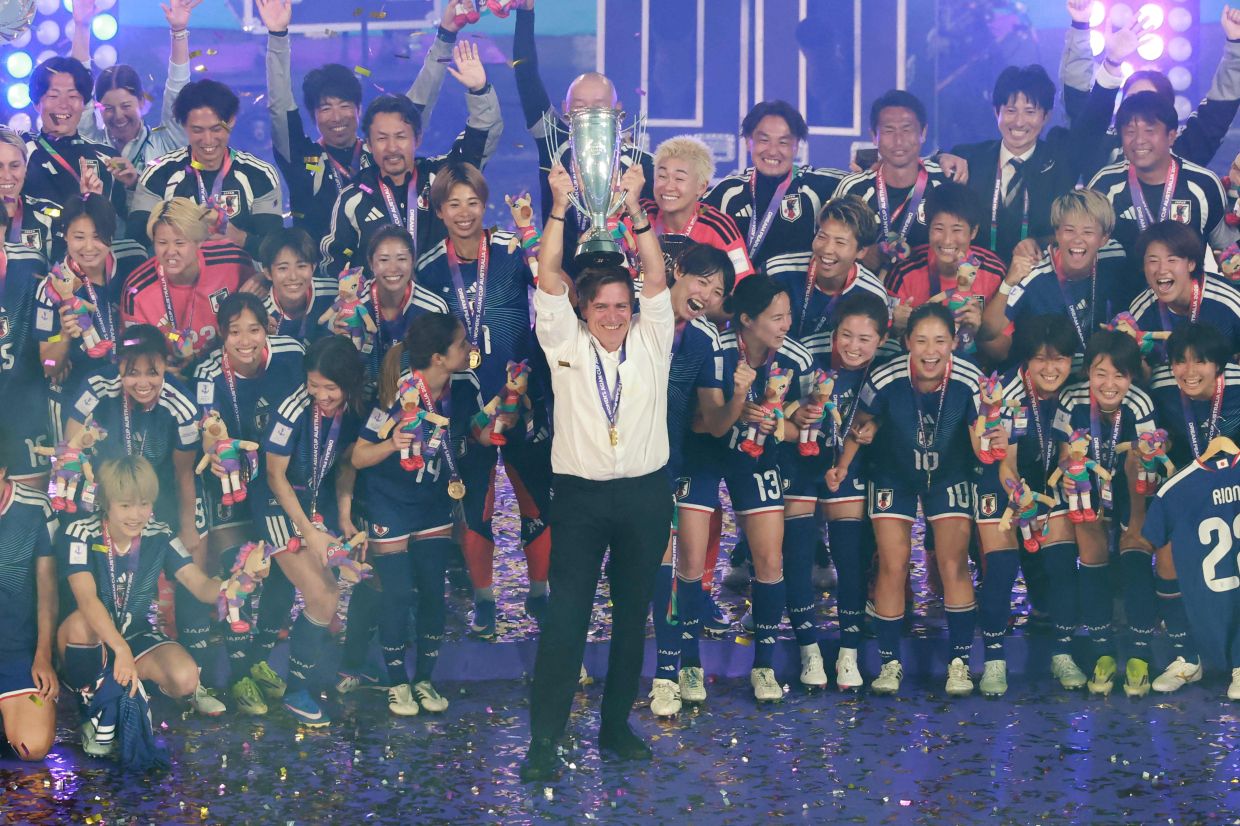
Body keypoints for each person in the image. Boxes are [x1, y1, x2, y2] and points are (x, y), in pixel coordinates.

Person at [520, 160, 672, 782]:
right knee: (567, 619)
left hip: (645, 496)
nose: (612, 315)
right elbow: (548, 275)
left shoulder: (654, 339)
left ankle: (615, 727)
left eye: (621, 305)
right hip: (580, 499)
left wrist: (637, 212)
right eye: (601, 305)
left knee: (633, 616)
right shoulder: (563, 341)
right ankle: (544, 740)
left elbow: (657, 276)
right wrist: (559, 207)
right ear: (582, 307)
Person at [415, 161, 552, 638]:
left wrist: (534, 239)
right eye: (453, 203)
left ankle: (540, 593)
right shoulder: (429, 268)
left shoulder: (512, 250)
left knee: (535, 498)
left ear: (485, 203)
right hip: (463, 406)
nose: (464, 212)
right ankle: (485, 601)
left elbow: (553, 288)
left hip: (523, 396)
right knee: (476, 505)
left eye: (472, 202)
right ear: (439, 210)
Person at [828, 302, 984, 696]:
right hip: (893, 472)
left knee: (953, 564)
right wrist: (842, 466)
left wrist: (991, 451)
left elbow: (983, 436)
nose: (931, 351)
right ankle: (889, 662)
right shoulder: (886, 376)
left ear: (954, 342)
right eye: (922, 341)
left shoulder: (970, 378)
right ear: (907, 342)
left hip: (949, 472)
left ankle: (960, 664)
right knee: (893, 564)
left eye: (940, 341)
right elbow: (862, 423)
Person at [675, 275, 816, 700]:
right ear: (748, 320)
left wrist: (784, 425)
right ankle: (689, 665)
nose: (786, 324)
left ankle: (764, 667)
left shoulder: (797, 359)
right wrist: (739, 408)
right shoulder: (713, 350)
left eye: (788, 315)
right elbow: (697, 423)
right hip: (702, 453)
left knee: (770, 558)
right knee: (691, 559)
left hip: (755, 458)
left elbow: (799, 431)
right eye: (776, 317)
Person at [57, 455, 254, 757]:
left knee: (185, 678)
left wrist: (232, 585)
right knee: (83, 623)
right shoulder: (81, 532)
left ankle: (124, 687)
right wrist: (120, 649)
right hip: (89, 636)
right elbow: (86, 599)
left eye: (144, 504)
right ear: (106, 503)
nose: (136, 515)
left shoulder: (160, 534)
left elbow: (199, 584)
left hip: (134, 634)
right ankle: (92, 707)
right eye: (125, 505)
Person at [257, 0, 500, 242]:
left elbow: (418, 103)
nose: (337, 116)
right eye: (326, 108)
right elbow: (280, 107)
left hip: (394, 263)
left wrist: (445, 36)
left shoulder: (382, 152)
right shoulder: (301, 158)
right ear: (313, 115)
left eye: (345, 105)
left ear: (359, 109)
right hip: (326, 267)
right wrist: (277, 37)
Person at [352, 313, 494, 716]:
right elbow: (359, 456)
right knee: (398, 593)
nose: (470, 349)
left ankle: (424, 681)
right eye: (462, 344)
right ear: (438, 357)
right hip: (389, 503)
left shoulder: (464, 386)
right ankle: (397, 683)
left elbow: (478, 432)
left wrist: (503, 417)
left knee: (433, 592)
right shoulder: (397, 396)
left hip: (433, 503)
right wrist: (391, 444)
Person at [191, 294, 306, 714]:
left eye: (253, 329)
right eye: (234, 331)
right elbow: (207, 430)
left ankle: (258, 659)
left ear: (267, 328)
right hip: (229, 485)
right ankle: (239, 675)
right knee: (238, 576)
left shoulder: (292, 354)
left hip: (275, 479)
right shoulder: (208, 374)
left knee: (283, 569)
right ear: (222, 334)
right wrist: (213, 451)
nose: (245, 340)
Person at [258, 335, 366, 725]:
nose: (320, 395)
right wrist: (309, 532)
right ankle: (295, 690)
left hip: (317, 507)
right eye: (313, 385)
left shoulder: (355, 407)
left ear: (349, 383)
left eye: (330, 387)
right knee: (324, 594)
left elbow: (346, 464)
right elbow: (274, 476)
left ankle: (290, 676)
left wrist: (345, 517)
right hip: (277, 506)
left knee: (334, 590)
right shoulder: (292, 409)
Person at [647, 242, 736, 716]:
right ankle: (667, 670)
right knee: (653, 568)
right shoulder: (633, 314)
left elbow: (713, 421)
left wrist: (739, 396)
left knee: (686, 566)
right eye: (702, 281)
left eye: (717, 291)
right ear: (677, 270)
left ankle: (685, 664)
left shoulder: (704, 340)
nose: (707, 294)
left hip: (673, 461)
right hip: (625, 462)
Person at [319, 45, 499, 275]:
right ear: (369, 145)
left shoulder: (441, 179)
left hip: (444, 296)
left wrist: (479, 91)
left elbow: (478, 144)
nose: (392, 147)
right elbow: (334, 262)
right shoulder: (354, 198)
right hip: (379, 298)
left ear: (417, 139)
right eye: (382, 138)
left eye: (401, 137)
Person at [969, 316, 1076, 695]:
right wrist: (1018, 496)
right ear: (1027, 360)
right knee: (1001, 569)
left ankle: (1063, 653)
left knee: (1062, 565)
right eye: (1041, 359)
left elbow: (1067, 449)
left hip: (1046, 483)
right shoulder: (1007, 394)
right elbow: (1005, 464)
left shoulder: (1071, 392)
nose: (1051, 368)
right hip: (1000, 483)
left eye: (1059, 358)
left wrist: (1067, 473)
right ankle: (994, 660)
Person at [510, 0, 655, 275]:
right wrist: (525, 14)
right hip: (565, 282)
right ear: (565, 110)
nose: (590, 113)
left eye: (599, 105)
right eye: (579, 106)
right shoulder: (554, 142)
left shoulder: (641, 165)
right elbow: (526, 76)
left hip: (625, 285)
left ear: (618, 110)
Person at [1051, 330, 1157, 697]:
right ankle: (1103, 654)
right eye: (1100, 373)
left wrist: (1137, 519)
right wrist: (1068, 475)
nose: (1109, 384)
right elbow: (1064, 456)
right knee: (1091, 559)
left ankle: (1140, 657)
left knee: (1135, 553)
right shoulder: (1072, 398)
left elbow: (1146, 466)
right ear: (1087, 373)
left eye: (1119, 375)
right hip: (1087, 491)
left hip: (1132, 490)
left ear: (1131, 376)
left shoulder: (1140, 403)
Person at [795, 291, 889, 691]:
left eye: (865, 339)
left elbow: (886, 411)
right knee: (797, 559)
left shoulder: (886, 366)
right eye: (846, 335)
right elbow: (780, 403)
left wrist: (876, 426)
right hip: (801, 460)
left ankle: (848, 652)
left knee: (850, 559)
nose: (853, 346)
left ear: (882, 340)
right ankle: (809, 650)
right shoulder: (808, 356)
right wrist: (796, 413)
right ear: (834, 332)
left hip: (848, 465)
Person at [1145, 322, 1240, 695]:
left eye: (1200, 361)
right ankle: (1187, 656)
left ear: (1218, 365)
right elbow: (1158, 439)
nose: (1189, 371)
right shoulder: (1162, 390)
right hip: (1192, 489)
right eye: (1180, 362)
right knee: (1166, 556)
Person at [1062, 1, 1240, 179]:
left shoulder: (1183, 150)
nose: (1141, 109)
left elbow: (1217, 113)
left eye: (1151, 101)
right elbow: (1078, 103)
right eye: (1133, 100)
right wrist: (1107, 55)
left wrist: (1236, 44)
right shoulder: (1098, 143)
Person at [949, 64, 1094, 264]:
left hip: (1038, 276)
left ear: (1046, 116)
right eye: (1010, 110)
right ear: (996, 112)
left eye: (1030, 112)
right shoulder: (969, 159)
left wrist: (1039, 242)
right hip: (976, 278)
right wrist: (940, 158)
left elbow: (1091, 125)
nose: (1019, 122)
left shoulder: (1061, 163)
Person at [128, 79, 283, 262]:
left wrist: (238, 237)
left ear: (231, 122)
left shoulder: (260, 175)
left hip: (242, 277)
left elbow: (274, 251)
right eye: (197, 130)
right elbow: (135, 242)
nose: (208, 140)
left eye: (216, 129)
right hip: (175, 276)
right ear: (184, 126)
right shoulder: (158, 174)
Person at [979, 190, 1131, 366]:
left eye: (1088, 232)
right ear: (1057, 233)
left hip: (1099, 372)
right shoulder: (1033, 272)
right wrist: (1008, 283)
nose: (1078, 240)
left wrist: (1038, 241)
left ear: (1104, 238)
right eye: (1069, 230)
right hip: (1047, 372)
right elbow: (988, 331)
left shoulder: (1114, 255)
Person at [1142, 440, 1240, 702]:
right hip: (1208, 579)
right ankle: (1186, 655)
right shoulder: (1176, 489)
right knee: (1166, 565)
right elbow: (1153, 537)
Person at [1088, 92, 1237, 260]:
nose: (1139, 140)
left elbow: (1230, 255)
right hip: (1121, 279)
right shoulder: (1104, 185)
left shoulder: (1204, 184)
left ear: (1171, 136)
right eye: (1130, 131)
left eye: (1149, 131)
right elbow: (1084, 246)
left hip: (1188, 279)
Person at [704, 101, 843, 280]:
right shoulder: (728, 192)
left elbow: (866, 183)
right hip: (739, 294)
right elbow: (688, 220)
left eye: (783, 142)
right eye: (764, 140)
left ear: (796, 146)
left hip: (798, 296)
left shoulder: (815, 188)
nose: (772, 151)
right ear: (748, 142)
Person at [35, 193, 147, 404]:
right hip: (76, 397)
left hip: (134, 389)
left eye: (98, 236)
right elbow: (49, 366)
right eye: (79, 237)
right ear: (65, 235)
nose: (88, 247)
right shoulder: (53, 287)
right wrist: (64, 335)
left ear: (112, 234)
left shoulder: (134, 259)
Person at [121, 197, 258, 368]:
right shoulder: (136, 290)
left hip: (231, 368)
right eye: (162, 243)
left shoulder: (234, 262)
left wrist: (263, 280)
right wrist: (158, 369)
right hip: (171, 377)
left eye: (180, 243)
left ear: (199, 242)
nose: (171, 252)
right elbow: (131, 346)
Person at [70, 0, 195, 184]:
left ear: (142, 102)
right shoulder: (91, 142)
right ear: (98, 108)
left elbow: (178, 87)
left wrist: (179, 31)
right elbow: (79, 88)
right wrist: (81, 26)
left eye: (126, 106)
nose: (118, 116)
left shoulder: (166, 142)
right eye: (108, 108)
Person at [834, 90, 951, 282]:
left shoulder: (944, 182)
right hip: (867, 296)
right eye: (889, 130)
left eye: (907, 129)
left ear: (923, 133)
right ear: (874, 136)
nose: (898, 140)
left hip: (932, 296)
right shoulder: (853, 189)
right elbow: (829, 248)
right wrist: (858, 253)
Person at [0, 427, 59, 762]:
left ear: (2, 470)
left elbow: (48, 590)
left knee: (32, 747)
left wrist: (43, 655)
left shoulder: (35, 506)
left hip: (17, 653)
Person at [887, 181, 1006, 338]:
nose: (947, 240)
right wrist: (896, 328)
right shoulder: (903, 272)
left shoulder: (995, 272)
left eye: (957, 230)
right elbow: (882, 338)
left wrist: (978, 330)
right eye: (939, 229)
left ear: (974, 232)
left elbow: (1003, 346)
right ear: (928, 228)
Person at [22, 57, 128, 221]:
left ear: (84, 104)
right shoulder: (21, 152)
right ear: (37, 104)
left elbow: (125, 219)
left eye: (73, 96)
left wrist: (132, 183)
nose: (64, 104)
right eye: (53, 96)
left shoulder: (109, 157)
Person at [773, 195, 888, 339]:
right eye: (822, 237)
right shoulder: (777, 272)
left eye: (840, 242)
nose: (827, 249)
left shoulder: (873, 294)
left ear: (862, 251)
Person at [641, 136, 754, 282]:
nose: (668, 186)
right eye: (662, 176)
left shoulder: (719, 228)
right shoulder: (639, 216)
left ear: (701, 187)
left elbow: (744, 287)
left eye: (679, 179)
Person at [1128, 221, 1240, 361]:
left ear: (1191, 264)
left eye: (1172, 260)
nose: (1162, 270)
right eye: (1153, 261)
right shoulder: (1140, 310)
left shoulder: (1228, 301)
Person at [0, 207, 54, 487]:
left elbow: (50, 329)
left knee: (30, 502)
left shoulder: (31, 263)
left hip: (23, 404)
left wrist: (54, 355)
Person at [259, 228, 336, 346]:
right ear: (268, 273)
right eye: (283, 268)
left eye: (301, 266)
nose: (293, 276)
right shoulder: (260, 313)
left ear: (313, 267)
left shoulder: (334, 292)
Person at [0, 127, 63, 262]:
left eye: (14, 166)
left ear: (25, 168)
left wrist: (91, 199)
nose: (7, 176)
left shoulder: (49, 215)